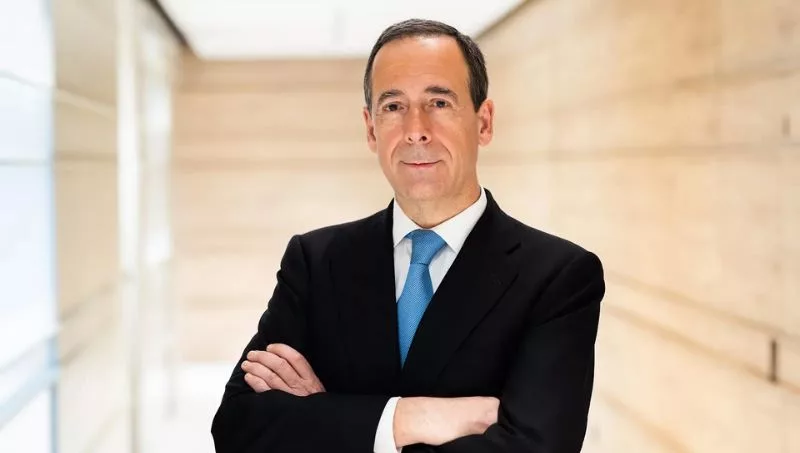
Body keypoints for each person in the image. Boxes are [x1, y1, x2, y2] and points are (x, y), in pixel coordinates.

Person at [210, 18, 605, 453]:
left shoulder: (558, 278)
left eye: (439, 102)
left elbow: (537, 449)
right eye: (394, 106)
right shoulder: (315, 262)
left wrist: (329, 417)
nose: (416, 129)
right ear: (371, 128)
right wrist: (408, 419)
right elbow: (237, 429)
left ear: (484, 122)